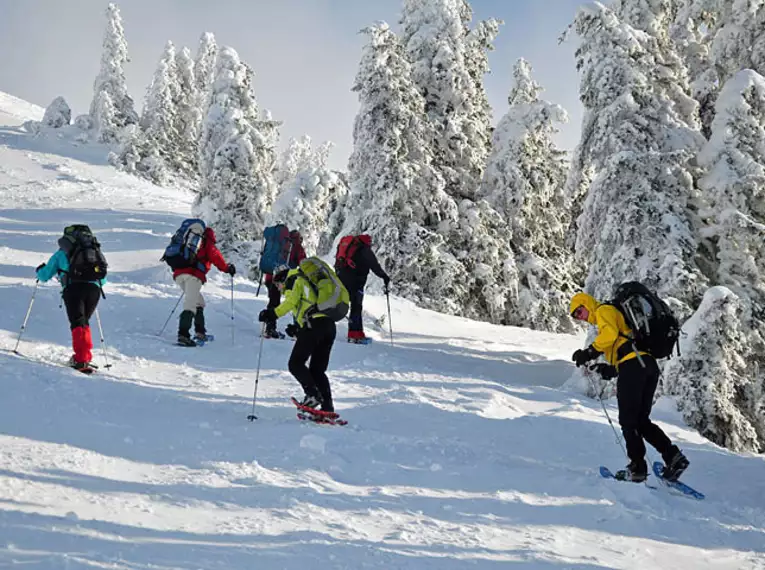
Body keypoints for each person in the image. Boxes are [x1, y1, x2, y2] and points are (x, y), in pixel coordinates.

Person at [569, 292, 690, 482]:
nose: (580, 316)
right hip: (645, 366)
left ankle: (637, 469)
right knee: (641, 421)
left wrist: (589, 352)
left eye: (579, 311)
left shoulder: (603, 310)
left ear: (586, 303)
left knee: (628, 420)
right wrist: (611, 369)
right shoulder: (612, 314)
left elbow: (610, 336)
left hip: (635, 366)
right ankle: (673, 457)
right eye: (576, 316)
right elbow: (625, 346)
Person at [258, 264, 337, 412]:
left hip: (314, 325)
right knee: (317, 370)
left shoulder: (294, 281)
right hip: (329, 326)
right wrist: (299, 330)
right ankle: (328, 407)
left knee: (295, 364)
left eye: (277, 284)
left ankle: (313, 395)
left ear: (281, 278)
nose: (279, 289)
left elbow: (290, 303)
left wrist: (271, 314)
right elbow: (309, 308)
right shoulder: (307, 281)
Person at [35, 227, 107, 371]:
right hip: (94, 291)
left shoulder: (62, 253)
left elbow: (44, 275)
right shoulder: (95, 252)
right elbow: (103, 279)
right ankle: (84, 356)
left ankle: (81, 359)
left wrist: (39, 271)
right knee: (83, 322)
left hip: (73, 289)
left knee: (78, 323)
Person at [172, 226, 235, 346]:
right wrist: (227, 268)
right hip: (193, 275)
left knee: (199, 302)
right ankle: (183, 335)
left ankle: (200, 332)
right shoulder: (207, 242)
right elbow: (215, 256)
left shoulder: (186, 240)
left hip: (179, 275)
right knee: (190, 304)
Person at [335, 234, 390, 343]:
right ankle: (355, 335)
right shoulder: (364, 250)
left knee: (338, 304)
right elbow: (375, 266)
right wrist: (385, 277)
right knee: (356, 308)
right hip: (356, 283)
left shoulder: (347, 247)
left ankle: (322, 329)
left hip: (342, 280)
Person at [263, 229, 306, 339]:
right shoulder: (297, 247)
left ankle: (269, 328)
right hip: (287, 279)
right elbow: (304, 264)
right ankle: (297, 330)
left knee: (273, 301)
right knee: (294, 302)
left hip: (270, 277)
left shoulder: (278, 244)